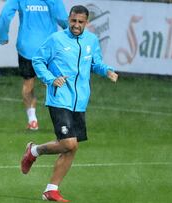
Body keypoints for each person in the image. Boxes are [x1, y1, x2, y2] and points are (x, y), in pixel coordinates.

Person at [21, 5, 118, 202]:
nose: (76, 25)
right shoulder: (56, 39)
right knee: (68, 142)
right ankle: (34, 151)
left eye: (80, 22)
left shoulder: (91, 40)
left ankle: (51, 189)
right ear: (69, 19)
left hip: (80, 102)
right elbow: (38, 60)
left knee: (72, 148)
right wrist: (50, 79)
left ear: (86, 23)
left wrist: (107, 70)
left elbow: (95, 63)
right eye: (73, 21)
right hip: (59, 98)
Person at [0, 0, 68, 130]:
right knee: (55, 83)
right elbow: (63, 18)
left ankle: (32, 120)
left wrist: (3, 36)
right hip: (49, 48)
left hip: (27, 47)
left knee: (28, 83)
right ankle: (62, 122)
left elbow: (5, 15)